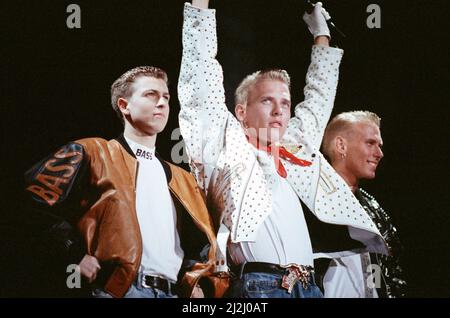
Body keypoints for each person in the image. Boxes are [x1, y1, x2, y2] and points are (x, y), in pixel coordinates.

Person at [178, 0, 388, 298]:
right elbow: (201, 76)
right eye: (267, 101)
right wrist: (199, 5)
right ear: (240, 111)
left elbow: (318, 98)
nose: (279, 110)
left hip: (309, 288)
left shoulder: (293, 150)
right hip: (261, 288)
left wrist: (321, 34)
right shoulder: (225, 146)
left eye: (285, 103)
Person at [24, 66, 223, 298]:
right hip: (120, 290)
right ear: (124, 105)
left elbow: (198, 243)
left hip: (173, 293)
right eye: (151, 95)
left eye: (166, 97)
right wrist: (74, 254)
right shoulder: (93, 152)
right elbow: (31, 201)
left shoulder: (183, 179)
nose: (162, 103)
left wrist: (197, 282)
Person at [318, 110, 407, 297]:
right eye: (370, 143)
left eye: (379, 145)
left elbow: (379, 268)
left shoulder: (370, 205)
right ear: (341, 145)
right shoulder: (314, 202)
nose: (379, 153)